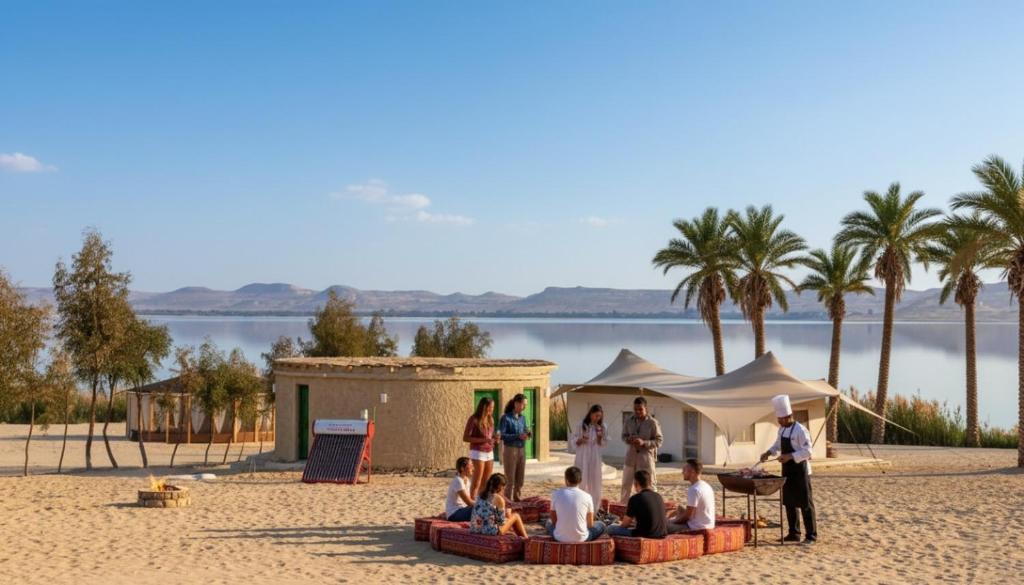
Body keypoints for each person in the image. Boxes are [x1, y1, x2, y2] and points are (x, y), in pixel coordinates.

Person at [760, 394, 818, 545]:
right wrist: (768, 452)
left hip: (801, 471)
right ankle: (794, 533)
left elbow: (808, 452)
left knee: (805, 503)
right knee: (789, 502)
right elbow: (777, 445)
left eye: (781, 419)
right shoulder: (782, 430)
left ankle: (811, 536)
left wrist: (790, 456)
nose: (779, 422)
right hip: (787, 471)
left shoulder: (800, 430)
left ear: (788, 416)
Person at [619, 396, 663, 502]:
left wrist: (644, 443)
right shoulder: (628, 420)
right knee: (626, 485)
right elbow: (623, 436)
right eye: (635, 409)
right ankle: (624, 508)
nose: (638, 411)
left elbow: (659, 441)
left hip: (646, 459)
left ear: (646, 408)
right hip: (630, 458)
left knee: (649, 485)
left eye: (640, 409)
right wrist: (628, 439)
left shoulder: (653, 422)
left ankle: (651, 505)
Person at [546, 466, 606, 542]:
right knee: (601, 525)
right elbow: (590, 524)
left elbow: (554, 520)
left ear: (566, 480)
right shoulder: (587, 496)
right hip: (582, 538)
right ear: (580, 480)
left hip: (559, 537)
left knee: (548, 523)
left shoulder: (556, 494)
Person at [607, 470, 667, 538]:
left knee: (610, 529)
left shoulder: (635, 498)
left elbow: (625, 525)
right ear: (649, 482)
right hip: (661, 533)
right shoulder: (658, 496)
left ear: (636, 483)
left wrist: (619, 524)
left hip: (645, 534)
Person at [469, 473, 528, 538]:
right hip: (490, 531)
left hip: (475, 529)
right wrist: (508, 514)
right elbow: (500, 522)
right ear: (501, 487)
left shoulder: (480, 495)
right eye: (504, 487)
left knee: (508, 517)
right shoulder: (498, 499)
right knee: (516, 516)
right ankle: (526, 539)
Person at [463, 397, 500, 496]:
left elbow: (489, 436)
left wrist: (495, 439)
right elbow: (466, 437)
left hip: (489, 452)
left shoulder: (490, 419)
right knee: (476, 483)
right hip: (478, 452)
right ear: (484, 407)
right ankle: (472, 506)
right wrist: (484, 440)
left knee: (486, 483)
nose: (492, 409)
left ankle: (481, 505)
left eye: (493, 407)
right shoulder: (474, 419)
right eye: (491, 407)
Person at [667, 458, 715, 533]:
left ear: (692, 472)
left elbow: (687, 516)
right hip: (708, 524)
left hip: (697, 527)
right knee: (678, 508)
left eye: (684, 470)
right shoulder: (706, 485)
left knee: (663, 526)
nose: (682, 472)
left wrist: (673, 522)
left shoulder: (694, 489)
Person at [573, 404, 607, 508]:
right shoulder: (581, 425)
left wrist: (600, 438)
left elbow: (604, 444)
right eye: (596, 415)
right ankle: (579, 505)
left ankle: (594, 508)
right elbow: (573, 440)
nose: (598, 418)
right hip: (582, 455)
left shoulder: (602, 427)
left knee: (595, 481)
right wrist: (580, 440)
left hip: (595, 457)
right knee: (581, 479)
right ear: (591, 414)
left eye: (599, 416)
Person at [499, 393, 531, 502]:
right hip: (510, 450)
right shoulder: (506, 418)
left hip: (522, 449)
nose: (525, 407)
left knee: (520, 478)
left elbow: (525, 430)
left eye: (526, 405)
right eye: (523, 404)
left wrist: (528, 433)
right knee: (510, 479)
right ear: (516, 403)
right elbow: (502, 435)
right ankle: (507, 501)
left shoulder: (523, 418)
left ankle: (517, 499)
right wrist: (517, 435)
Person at [444, 456, 474, 522]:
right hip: (454, 513)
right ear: (462, 468)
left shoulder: (467, 480)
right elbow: (468, 502)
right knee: (478, 510)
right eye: (470, 466)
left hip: (462, 509)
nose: (473, 468)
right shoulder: (458, 481)